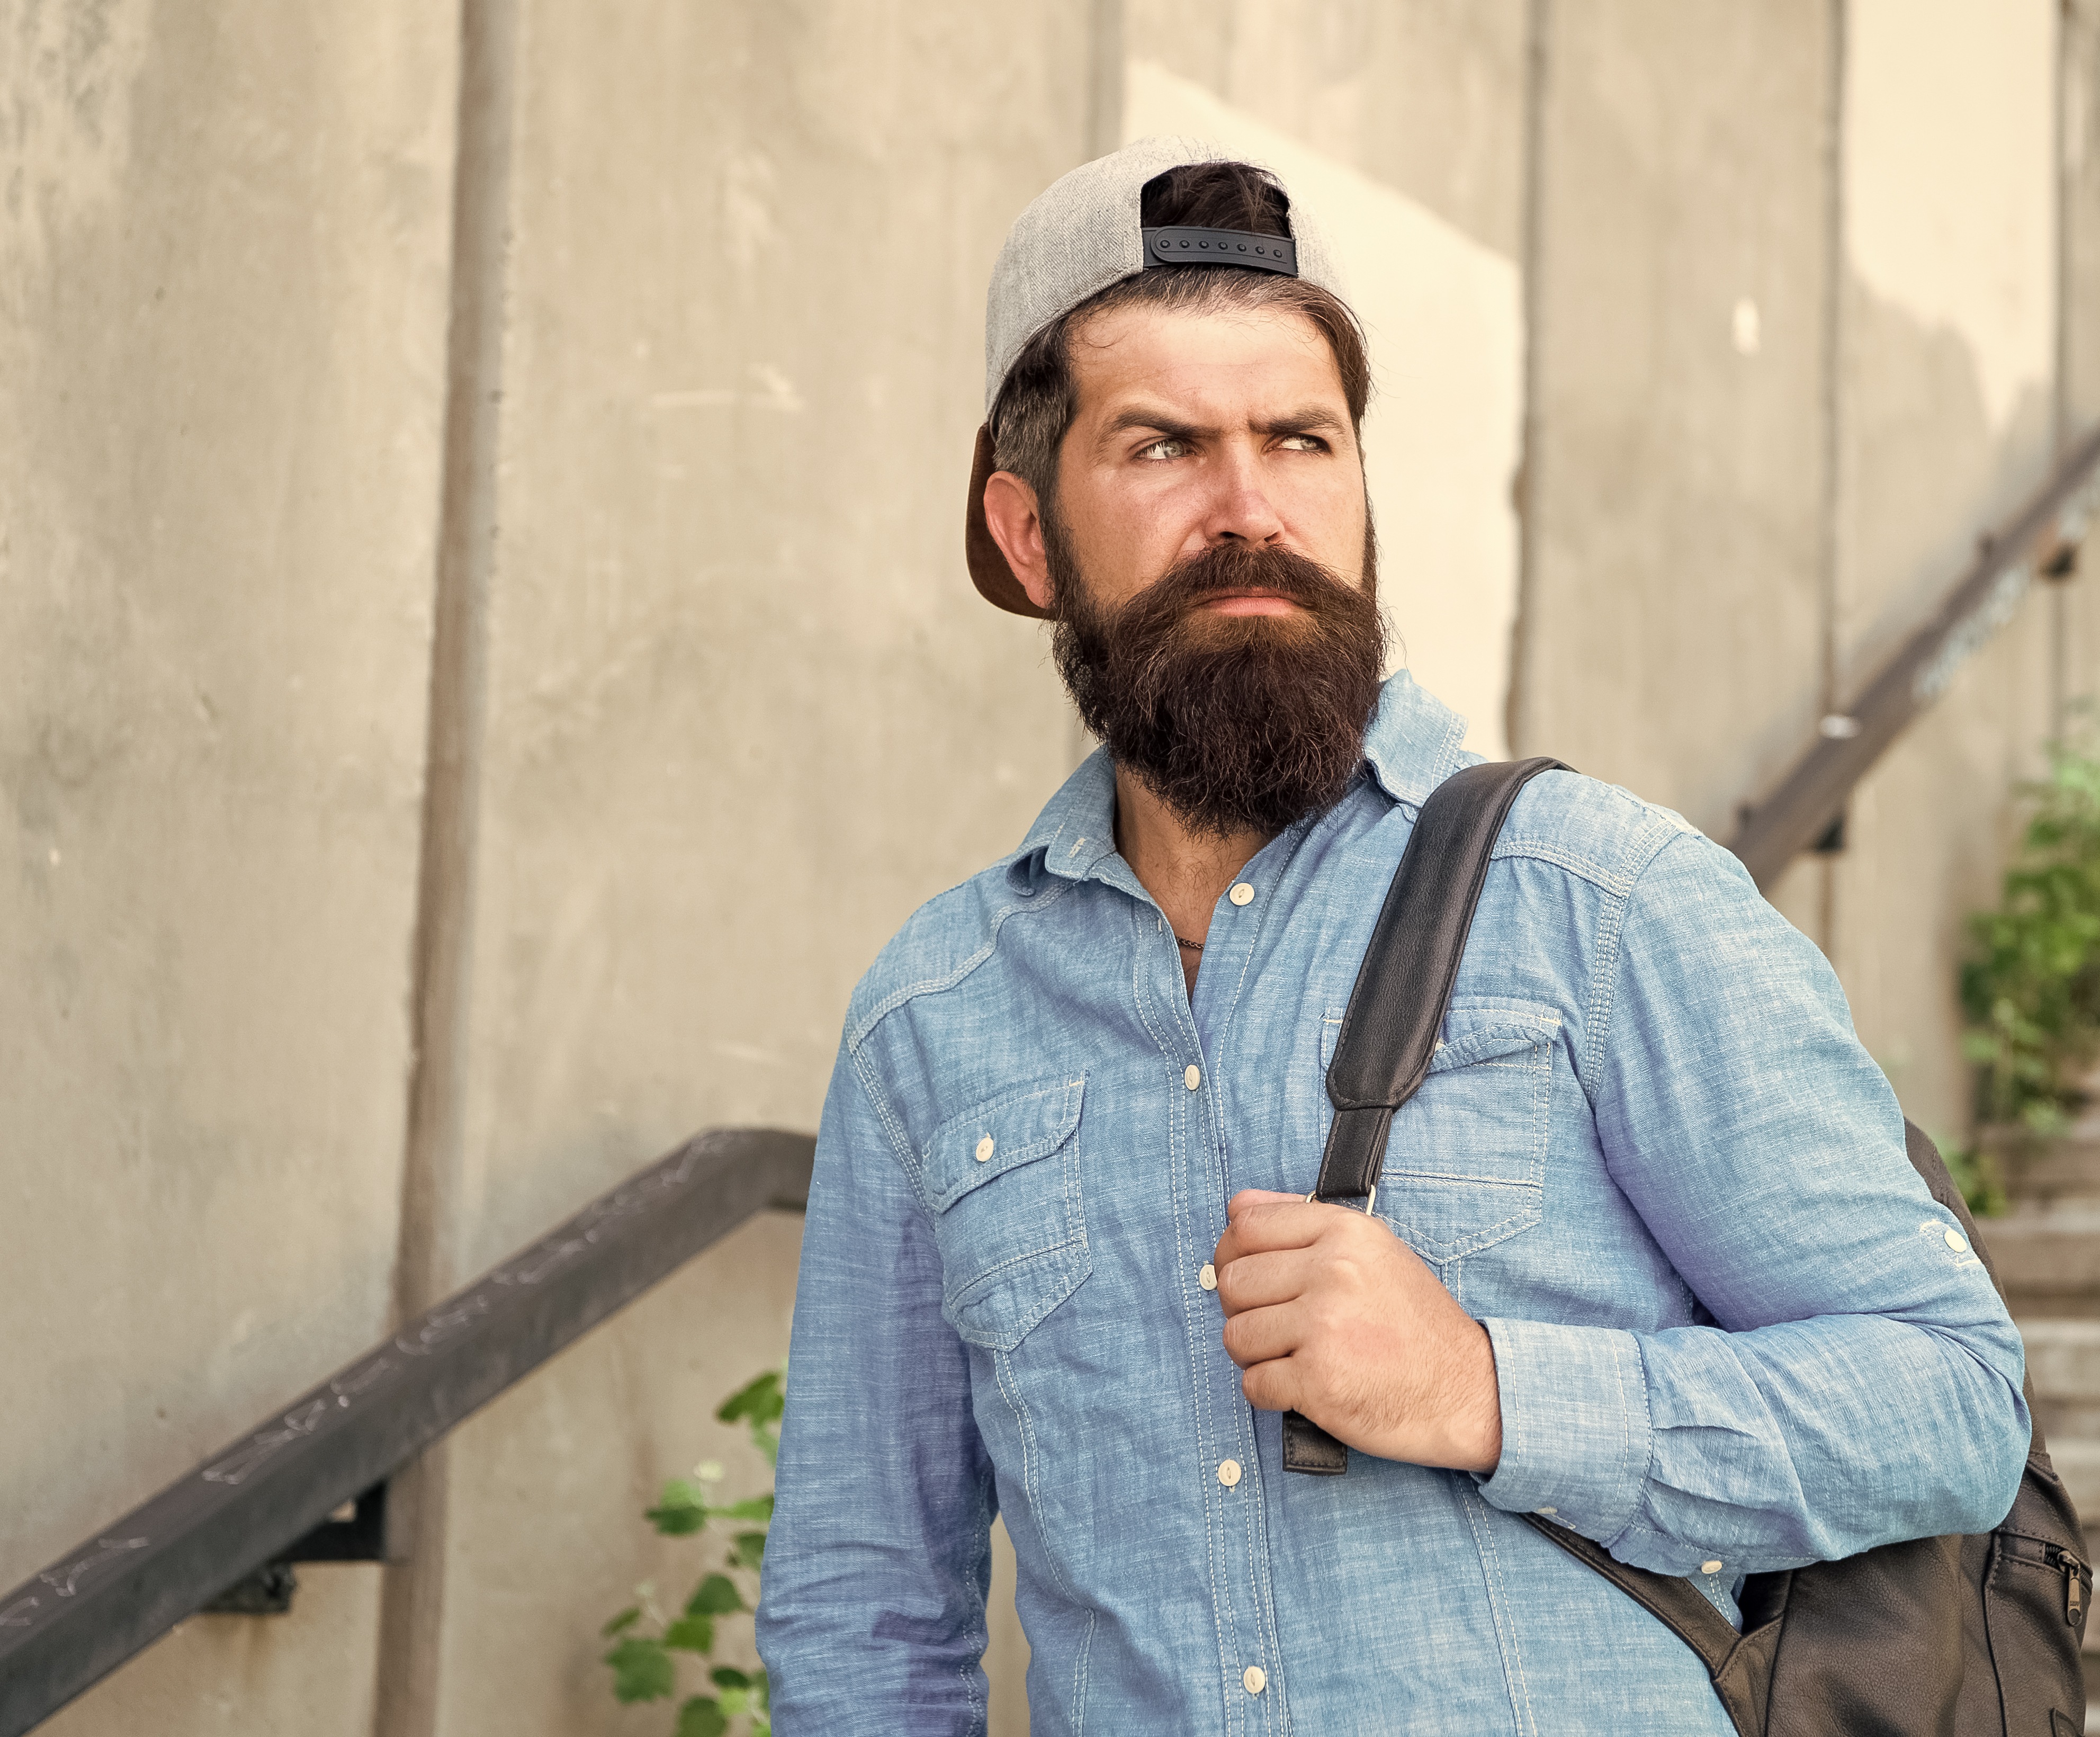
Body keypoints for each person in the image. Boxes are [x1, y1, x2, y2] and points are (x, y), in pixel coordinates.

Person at [755, 138, 2030, 1734]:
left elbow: (1951, 1399)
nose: (1252, 510)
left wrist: (1488, 1390)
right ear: (1028, 536)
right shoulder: (934, 1019)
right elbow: (863, 1610)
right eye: (1163, 447)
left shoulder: (1599, 898)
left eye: (1302, 441)